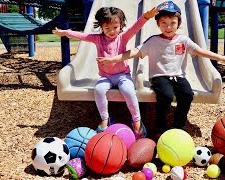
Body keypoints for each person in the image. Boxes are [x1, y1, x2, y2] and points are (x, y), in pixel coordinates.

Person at [97, 1, 225, 138]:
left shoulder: (183, 40)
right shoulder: (153, 41)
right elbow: (134, 52)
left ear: (178, 23)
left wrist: (221, 58)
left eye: (172, 23)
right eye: (164, 23)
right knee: (166, 95)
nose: (168, 27)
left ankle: (178, 125)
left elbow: (201, 51)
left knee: (187, 95)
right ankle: (160, 126)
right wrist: (114, 59)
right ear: (158, 24)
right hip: (159, 76)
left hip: (178, 76)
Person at [53, 7, 158, 139]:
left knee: (128, 90)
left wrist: (146, 17)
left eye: (115, 27)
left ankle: (137, 121)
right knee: (99, 89)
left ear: (120, 25)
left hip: (122, 75)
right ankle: (105, 119)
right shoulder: (97, 39)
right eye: (107, 28)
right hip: (106, 77)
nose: (112, 31)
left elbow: (135, 28)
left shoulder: (122, 38)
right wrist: (65, 32)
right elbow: (81, 36)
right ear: (101, 27)